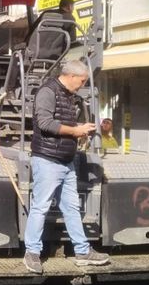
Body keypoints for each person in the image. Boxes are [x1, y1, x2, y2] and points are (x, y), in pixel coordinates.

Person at [23, 60, 110, 273]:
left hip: (65, 159)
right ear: (71, 76)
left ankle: (82, 251)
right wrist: (75, 131)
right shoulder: (47, 91)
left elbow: (61, 123)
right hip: (48, 159)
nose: (82, 85)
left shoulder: (68, 95)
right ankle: (32, 252)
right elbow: (44, 123)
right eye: (81, 81)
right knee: (41, 206)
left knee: (71, 208)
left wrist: (78, 128)